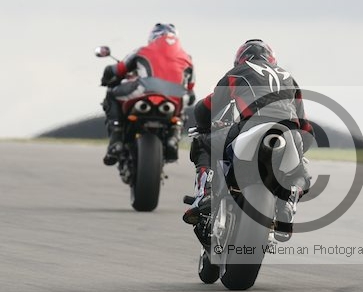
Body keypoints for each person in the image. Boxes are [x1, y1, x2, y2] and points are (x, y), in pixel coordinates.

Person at [182, 39, 314, 243]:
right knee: (300, 170)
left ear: (240, 59)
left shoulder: (238, 72)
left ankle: (205, 194)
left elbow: (207, 107)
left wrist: (204, 127)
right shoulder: (289, 78)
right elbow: (305, 126)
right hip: (290, 133)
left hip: (252, 126)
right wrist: (299, 151)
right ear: (272, 59)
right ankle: (287, 203)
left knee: (202, 143)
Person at [100, 23, 195, 165]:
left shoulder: (141, 51)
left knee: (112, 94)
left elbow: (118, 69)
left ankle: (116, 140)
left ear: (153, 37)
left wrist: (106, 78)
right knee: (183, 108)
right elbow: (191, 88)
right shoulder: (187, 57)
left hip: (144, 91)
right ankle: (173, 138)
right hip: (176, 98)